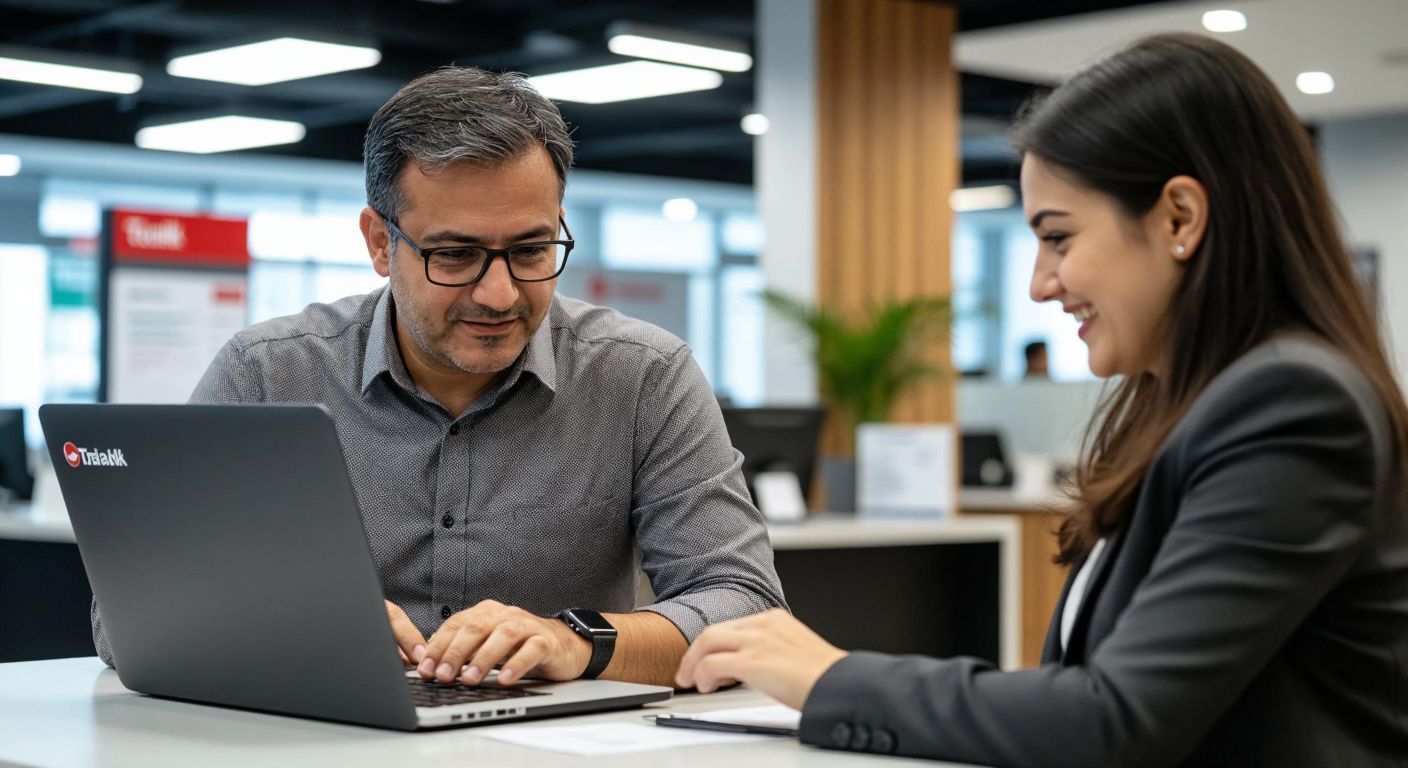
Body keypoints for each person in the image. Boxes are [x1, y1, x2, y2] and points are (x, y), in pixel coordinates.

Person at [676, 33, 1408, 766]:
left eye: (1058, 237)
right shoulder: (1186, 404)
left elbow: (1116, 718)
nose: (1039, 283)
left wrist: (831, 677)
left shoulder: (1292, 404)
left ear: (1180, 218)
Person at [92, 66, 787, 688]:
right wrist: (288, 622)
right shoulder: (269, 372)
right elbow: (129, 617)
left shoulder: (644, 377)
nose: (498, 293)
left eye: (530, 249)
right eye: (454, 255)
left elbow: (745, 602)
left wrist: (576, 639)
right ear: (378, 242)